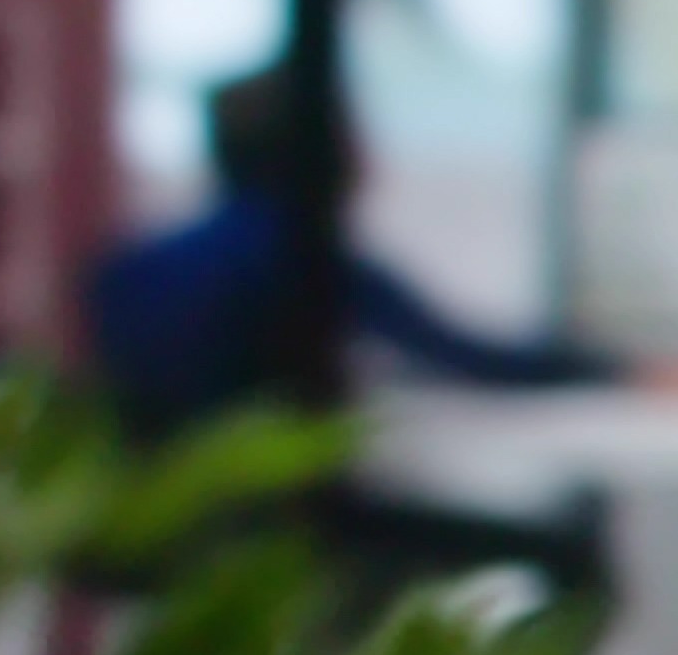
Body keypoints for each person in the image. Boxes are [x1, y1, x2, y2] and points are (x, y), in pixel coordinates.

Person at [82, 68, 599, 435]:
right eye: (354, 134)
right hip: (260, 520)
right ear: (324, 151)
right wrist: (618, 370)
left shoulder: (129, 265)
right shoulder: (303, 261)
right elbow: (466, 357)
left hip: (161, 522)